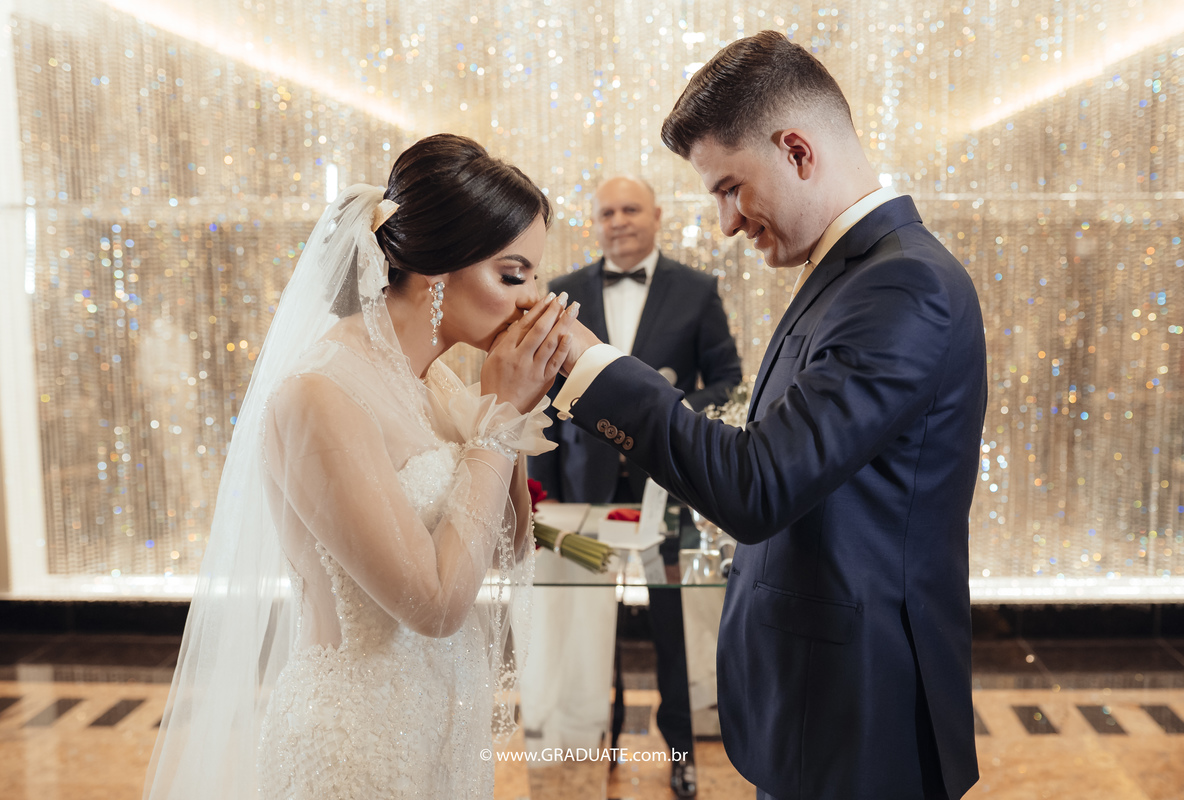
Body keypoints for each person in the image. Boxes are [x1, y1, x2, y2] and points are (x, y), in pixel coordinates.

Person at [549, 31, 987, 800]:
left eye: (729, 188)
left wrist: (593, 370)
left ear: (797, 151)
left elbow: (758, 484)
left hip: (859, 715)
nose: (726, 222)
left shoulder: (902, 286)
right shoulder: (853, 275)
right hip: (816, 703)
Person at [143, 134, 579, 800]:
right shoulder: (320, 394)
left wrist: (508, 407)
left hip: (434, 728)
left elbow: (508, 547)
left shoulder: (436, 384)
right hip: (356, 745)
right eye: (514, 275)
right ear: (439, 271)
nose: (531, 302)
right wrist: (496, 424)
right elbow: (435, 606)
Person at [527, 175, 741, 798]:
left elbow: (727, 380)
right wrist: (542, 495)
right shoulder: (563, 292)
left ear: (656, 215)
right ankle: (603, 736)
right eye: (607, 212)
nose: (618, 221)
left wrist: (665, 408)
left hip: (668, 491)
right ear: (595, 223)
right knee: (591, 626)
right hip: (582, 491)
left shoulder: (697, 290)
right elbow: (542, 393)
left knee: (673, 627)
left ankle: (682, 751)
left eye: (630, 209)